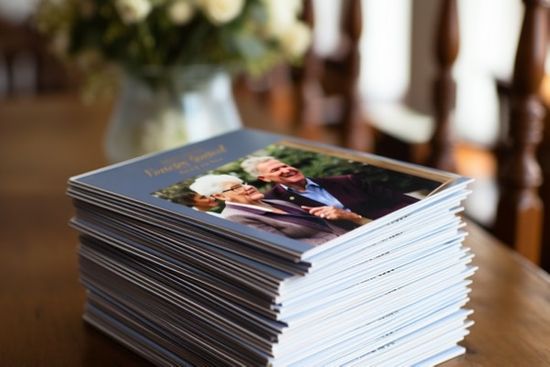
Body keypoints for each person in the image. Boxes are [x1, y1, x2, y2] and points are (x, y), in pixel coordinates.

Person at [190, 174, 364, 245]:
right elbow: (289, 248)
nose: (247, 187)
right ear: (220, 197)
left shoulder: (272, 200)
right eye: (236, 188)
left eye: (243, 183)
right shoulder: (235, 218)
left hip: (353, 240)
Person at [241, 156, 418, 220]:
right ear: (264, 178)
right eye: (276, 170)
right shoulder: (274, 201)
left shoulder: (345, 181)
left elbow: (399, 200)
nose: (287, 169)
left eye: (285, 165)